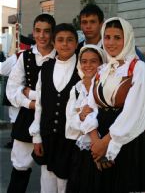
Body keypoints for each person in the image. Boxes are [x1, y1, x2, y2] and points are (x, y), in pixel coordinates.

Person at [91, 17, 145, 192]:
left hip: (127, 139)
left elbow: (133, 112)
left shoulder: (139, 69)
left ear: (127, 39)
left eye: (117, 37)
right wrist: (95, 144)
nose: (111, 43)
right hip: (101, 138)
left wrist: (107, 144)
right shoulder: (104, 69)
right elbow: (89, 106)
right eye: (107, 37)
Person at [6, 13, 56, 193]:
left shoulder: (61, 57)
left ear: (52, 33)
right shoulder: (25, 57)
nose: (42, 36)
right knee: (20, 167)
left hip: (54, 120)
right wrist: (31, 104)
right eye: (38, 31)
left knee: (51, 172)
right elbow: (12, 90)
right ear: (33, 33)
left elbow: (61, 94)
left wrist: (31, 93)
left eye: (47, 31)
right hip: (27, 118)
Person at [29, 23, 80, 193]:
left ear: (76, 43)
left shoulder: (83, 67)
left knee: (66, 182)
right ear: (54, 42)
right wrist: (36, 137)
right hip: (48, 134)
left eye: (70, 40)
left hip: (71, 139)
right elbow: (39, 105)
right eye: (60, 40)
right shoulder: (46, 68)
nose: (65, 44)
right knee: (47, 181)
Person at [65, 44, 106, 193]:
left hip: (104, 147)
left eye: (93, 61)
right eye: (84, 61)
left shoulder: (106, 86)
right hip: (82, 151)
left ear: (101, 64)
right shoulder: (76, 89)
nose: (88, 65)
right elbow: (70, 121)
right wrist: (81, 116)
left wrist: (84, 116)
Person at [77, 3, 145, 61]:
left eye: (92, 22)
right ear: (80, 25)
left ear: (101, 24)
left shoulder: (119, 48)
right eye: (84, 22)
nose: (88, 26)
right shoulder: (75, 50)